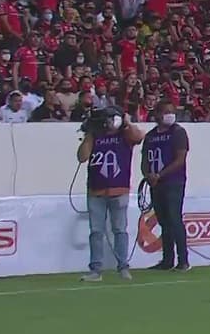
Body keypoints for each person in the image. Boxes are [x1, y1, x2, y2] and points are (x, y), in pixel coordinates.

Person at [76, 106, 144, 282]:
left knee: (120, 230)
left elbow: (139, 137)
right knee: (96, 231)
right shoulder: (95, 135)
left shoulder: (125, 135)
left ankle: (123, 266)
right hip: (96, 190)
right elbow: (82, 157)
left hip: (119, 189)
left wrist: (127, 123)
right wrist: (89, 134)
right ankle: (96, 269)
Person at [143, 99, 190, 271]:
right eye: (166, 111)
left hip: (173, 182)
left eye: (172, 112)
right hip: (156, 184)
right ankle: (167, 259)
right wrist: (148, 175)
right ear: (157, 114)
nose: (170, 115)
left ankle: (183, 260)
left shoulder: (178, 132)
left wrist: (160, 175)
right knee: (163, 221)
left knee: (174, 218)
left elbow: (180, 159)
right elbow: (144, 160)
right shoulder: (150, 136)